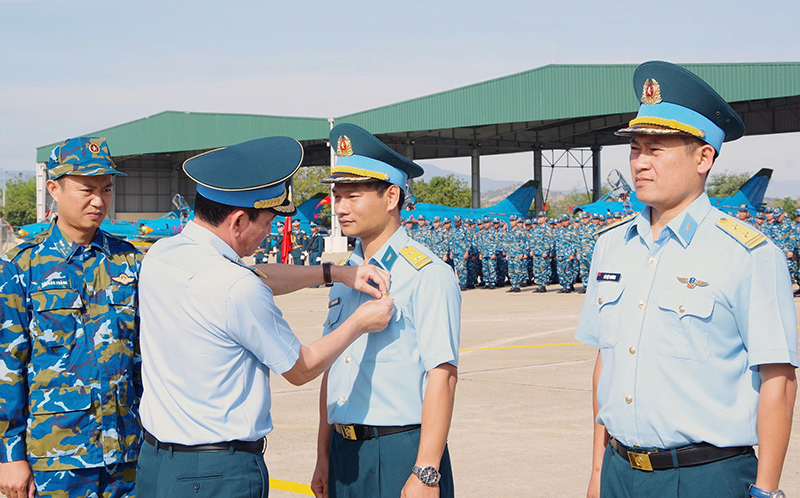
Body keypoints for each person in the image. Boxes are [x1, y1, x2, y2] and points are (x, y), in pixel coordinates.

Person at [575, 61, 798, 498]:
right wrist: (599, 470)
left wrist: (765, 491)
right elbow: (607, 361)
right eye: (635, 148)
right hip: (621, 471)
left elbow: (779, 379)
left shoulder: (748, 255)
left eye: (656, 150)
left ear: (704, 157)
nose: (640, 162)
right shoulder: (612, 246)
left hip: (705, 477)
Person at [135, 136, 395, 498]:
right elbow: (301, 368)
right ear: (239, 220)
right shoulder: (236, 288)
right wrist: (360, 322)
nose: (270, 231)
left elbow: (258, 274)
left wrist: (335, 273)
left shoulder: (162, 256)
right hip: (216, 474)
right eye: (268, 221)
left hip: (156, 462)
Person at [311, 123, 460, 498]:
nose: (341, 209)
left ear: (391, 196)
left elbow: (442, 374)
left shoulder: (427, 274)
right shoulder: (347, 273)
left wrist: (427, 471)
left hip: (397, 452)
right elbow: (334, 369)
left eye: (354, 196)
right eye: (338, 197)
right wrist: (323, 456)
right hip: (345, 453)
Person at [0, 137, 140, 498]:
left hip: (126, 450)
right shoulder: (21, 267)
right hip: (58, 455)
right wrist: (9, 456)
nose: (98, 200)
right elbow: (6, 365)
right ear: (54, 189)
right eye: (87, 189)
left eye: (106, 189)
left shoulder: (128, 261)